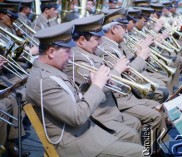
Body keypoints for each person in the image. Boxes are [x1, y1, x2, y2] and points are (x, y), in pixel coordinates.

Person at [26, 22, 145, 157]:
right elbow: (76, 117)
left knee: (134, 134)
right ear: (51, 52)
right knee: (141, 153)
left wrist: (88, 85)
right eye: (67, 51)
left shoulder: (51, 70)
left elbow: (73, 98)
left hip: (87, 132)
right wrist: (97, 86)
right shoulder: (44, 81)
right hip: (77, 143)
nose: (71, 55)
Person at [96, 8, 169, 155]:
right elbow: (124, 78)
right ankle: (150, 149)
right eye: (123, 27)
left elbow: (127, 70)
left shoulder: (112, 46)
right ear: (113, 29)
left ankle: (154, 146)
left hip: (127, 95)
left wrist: (137, 55)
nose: (126, 30)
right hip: (121, 98)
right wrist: (140, 57)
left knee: (158, 107)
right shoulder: (105, 49)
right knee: (155, 113)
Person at [64, 14, 142, 144]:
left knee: (135, 124)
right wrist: (117, 70)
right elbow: (101, 87)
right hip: (98, 116)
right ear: (82, 40)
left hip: (110, 109)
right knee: (132, 134)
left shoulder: (88, 52)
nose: (100, 43)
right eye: (97, 39)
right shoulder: (77, 58)